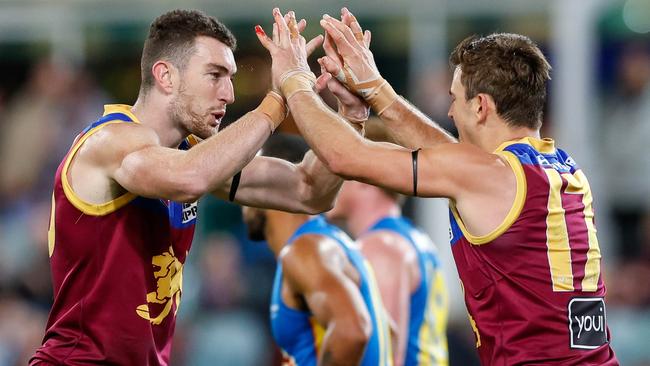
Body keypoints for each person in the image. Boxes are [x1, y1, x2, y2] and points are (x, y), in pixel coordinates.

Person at [257, 7, 619, 365]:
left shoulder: (485, 174)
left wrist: (293, 79)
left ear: (480, 106)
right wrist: (376, 89)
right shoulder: (562, 170)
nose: (449, 113)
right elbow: (451, 155)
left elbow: (344, 156)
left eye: (454, 99)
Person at [30, 9, 341, 366]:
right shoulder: (111, 140)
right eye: (215, 75)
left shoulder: (189, 154)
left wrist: (352, 114)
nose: (228, 93)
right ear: (165, 76)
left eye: (231, 77)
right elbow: (191, 178)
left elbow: (309, 190)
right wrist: (279, 98)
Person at [242, 133, 392, 366]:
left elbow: (352, 331)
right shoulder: (333, 244)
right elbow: (390, 331)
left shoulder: (308, 249)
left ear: (273, 184)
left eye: (249, 181)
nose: (242, 197)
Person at [327, 181, 448, 366]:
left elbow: (386, 355)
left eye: (337, 173)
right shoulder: (416, 238)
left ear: (363, 180)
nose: (326, 181)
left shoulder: (381, 247)